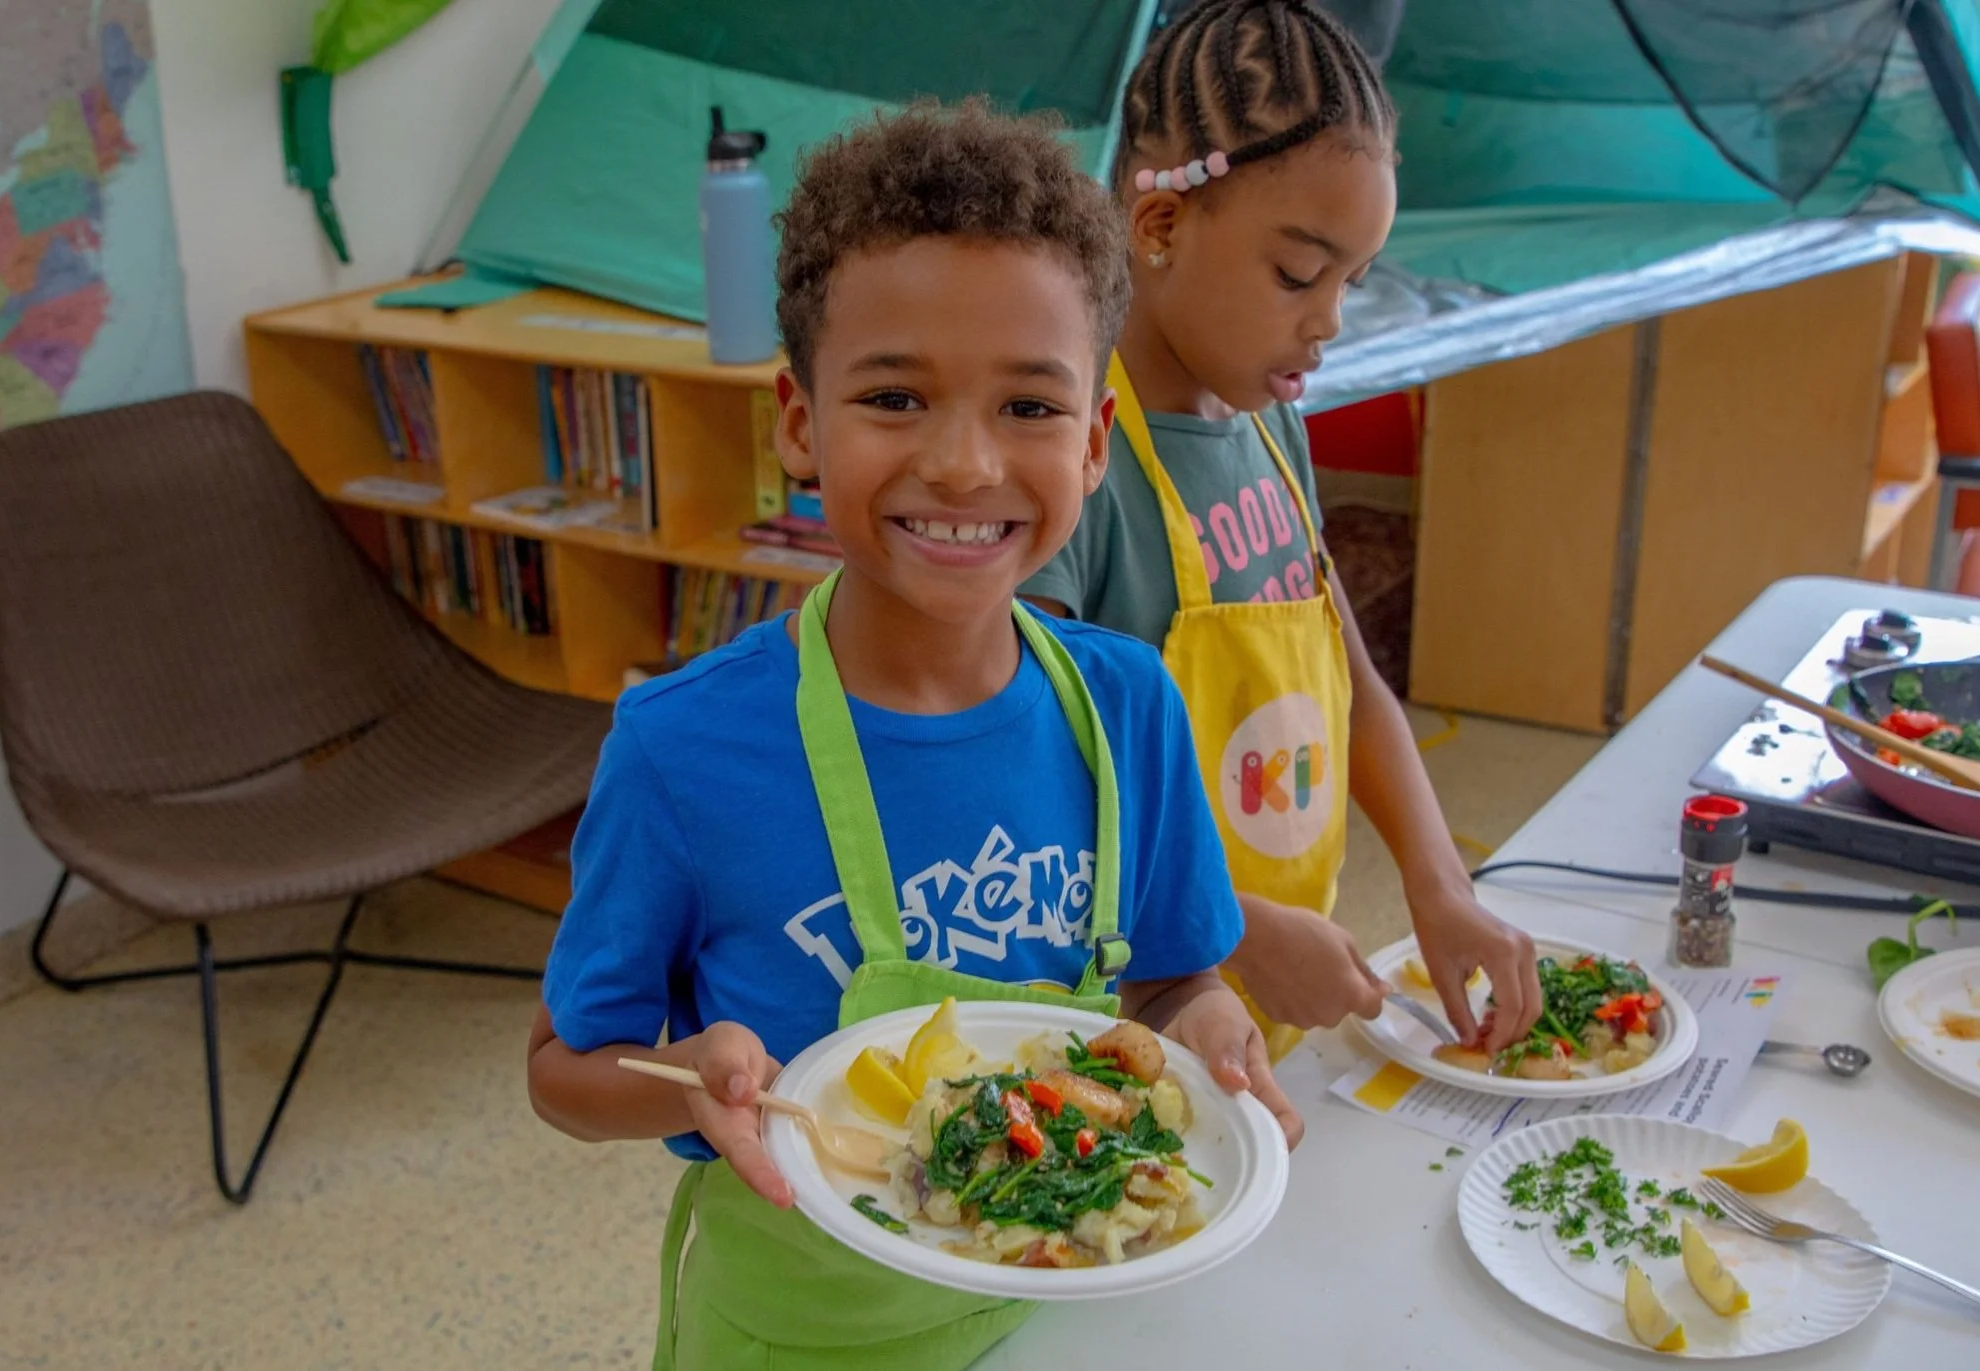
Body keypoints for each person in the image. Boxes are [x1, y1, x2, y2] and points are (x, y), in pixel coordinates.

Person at [526, 101, 1300, 1371]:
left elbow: (1170, 981)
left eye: (1029, 409)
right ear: (797, 421)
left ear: (1096, 439)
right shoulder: (680, 751)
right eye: (893, 396)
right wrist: (689, 1075)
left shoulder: (1127, 709)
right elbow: (564, 1069)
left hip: (1074, 1304)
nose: (960, 463)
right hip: (801, 1333)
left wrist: (1208, 1032)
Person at [1023, 0, 1542, 1058]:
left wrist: (1440, 886)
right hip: (1118, 1019)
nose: (1330, 320)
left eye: (1351, 280)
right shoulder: (1069, 461)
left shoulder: (1268, 430)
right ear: (1160, 226)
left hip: (1266, 996)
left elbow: (1354, 686)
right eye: (1299, 275)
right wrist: (1231, 931)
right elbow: (1030, 794)